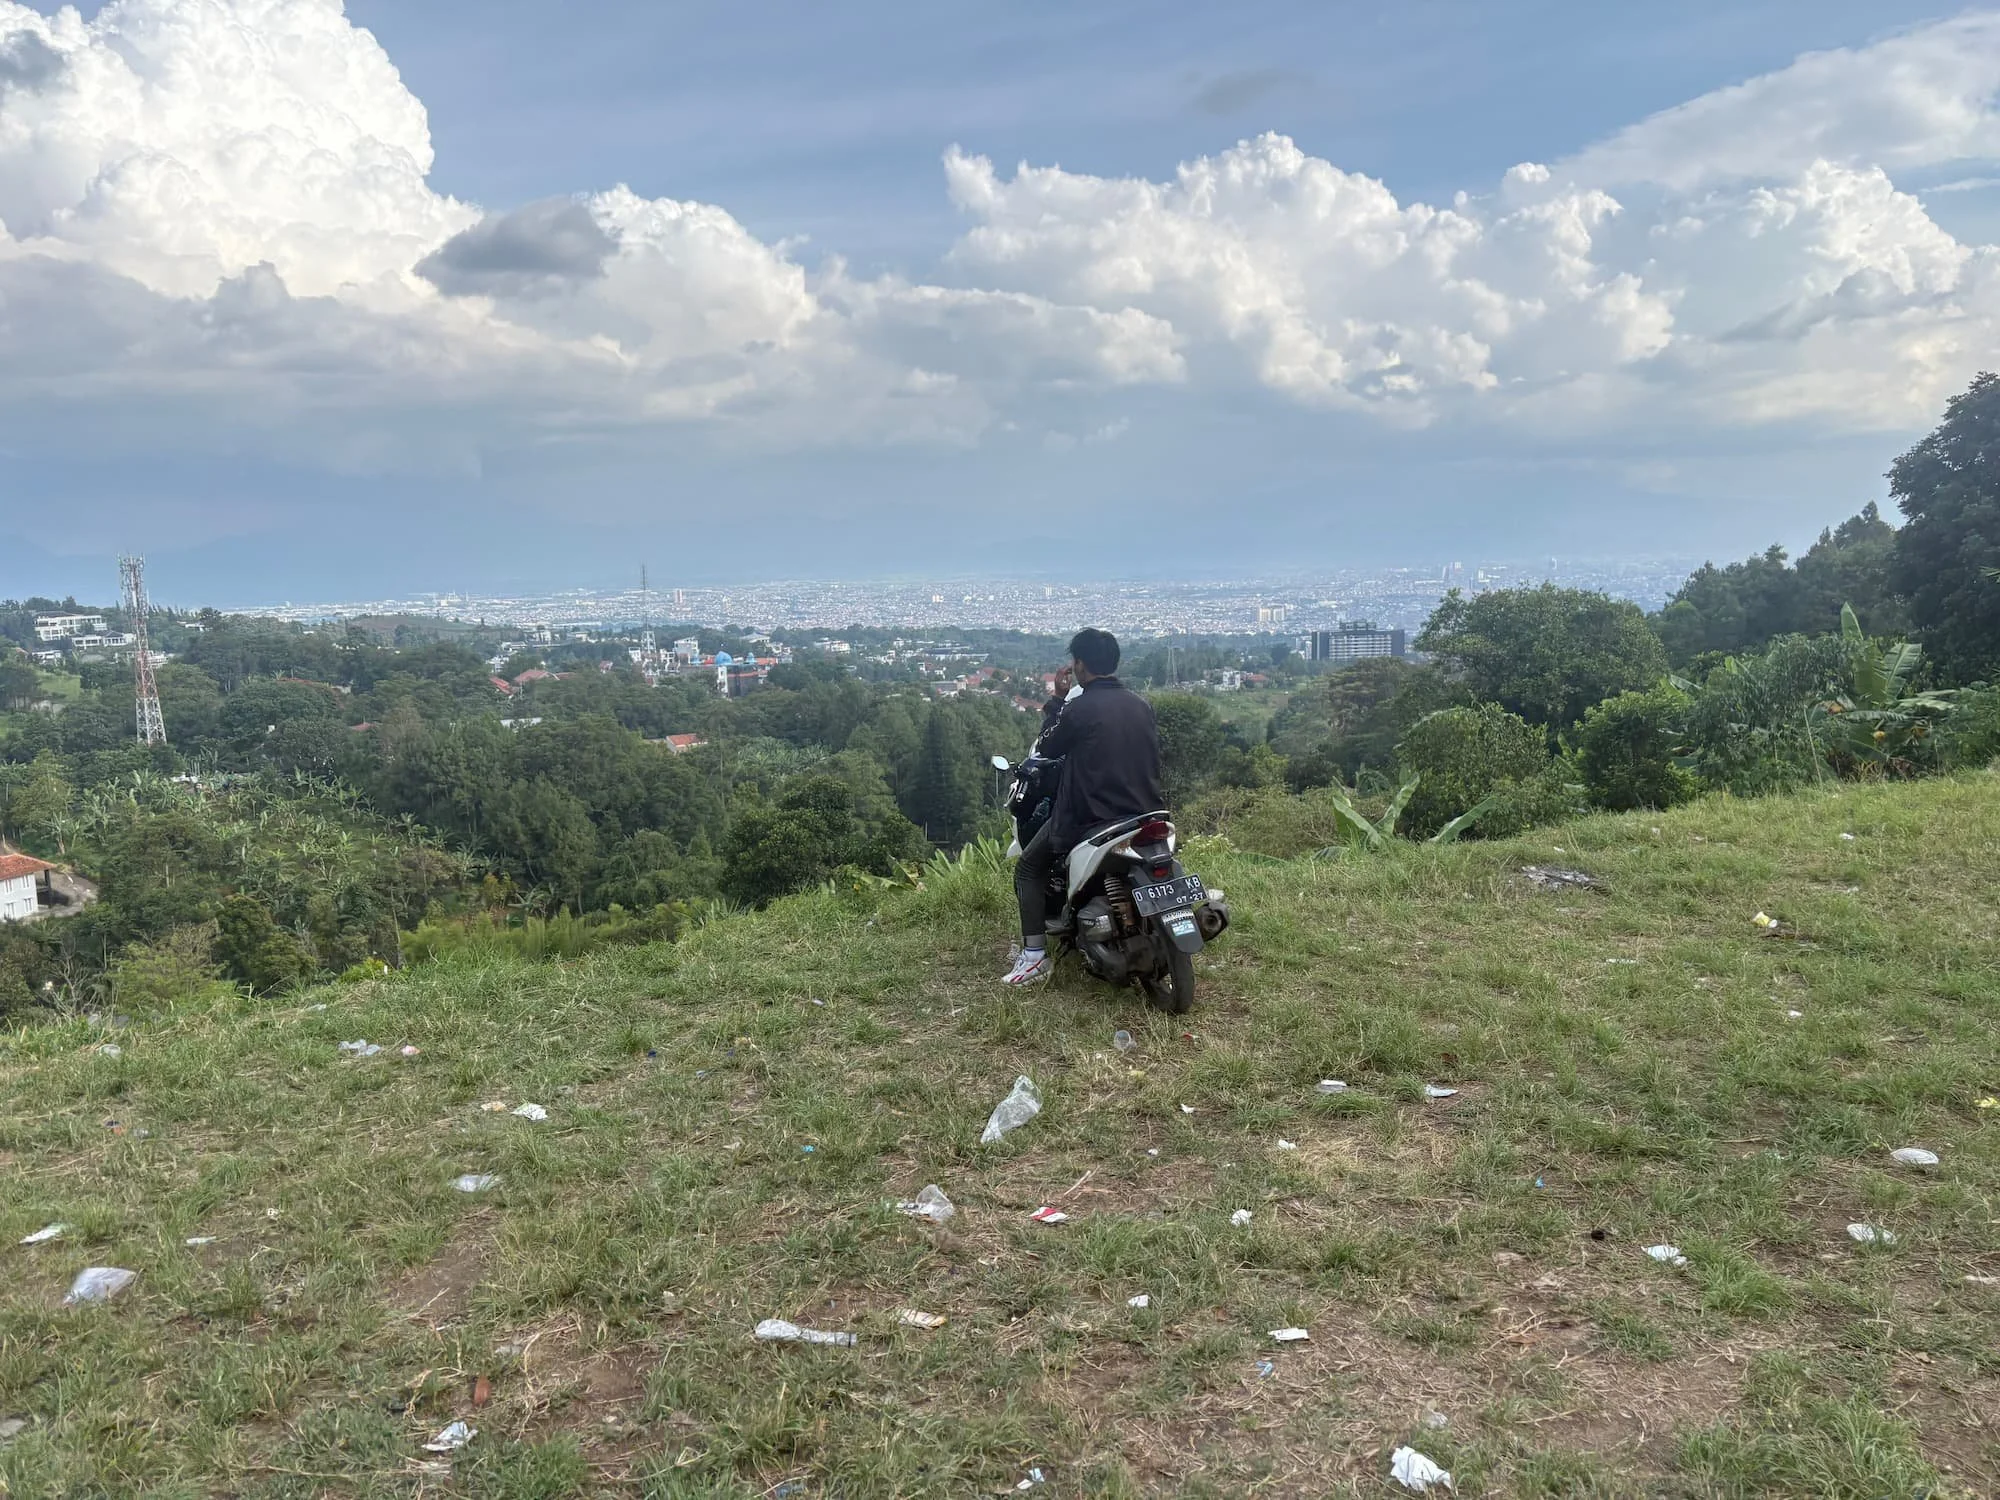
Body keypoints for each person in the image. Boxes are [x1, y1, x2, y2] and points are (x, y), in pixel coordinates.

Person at [1003, 627, 1166, 984]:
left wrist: (1057, 701)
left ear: (1079, 665)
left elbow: (1046, 748)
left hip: (1090, 815)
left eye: (1074, 662)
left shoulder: (1080, 708)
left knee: (1028, 869)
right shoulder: (1141, 704)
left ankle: (1034, 957)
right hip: (1145, 811)